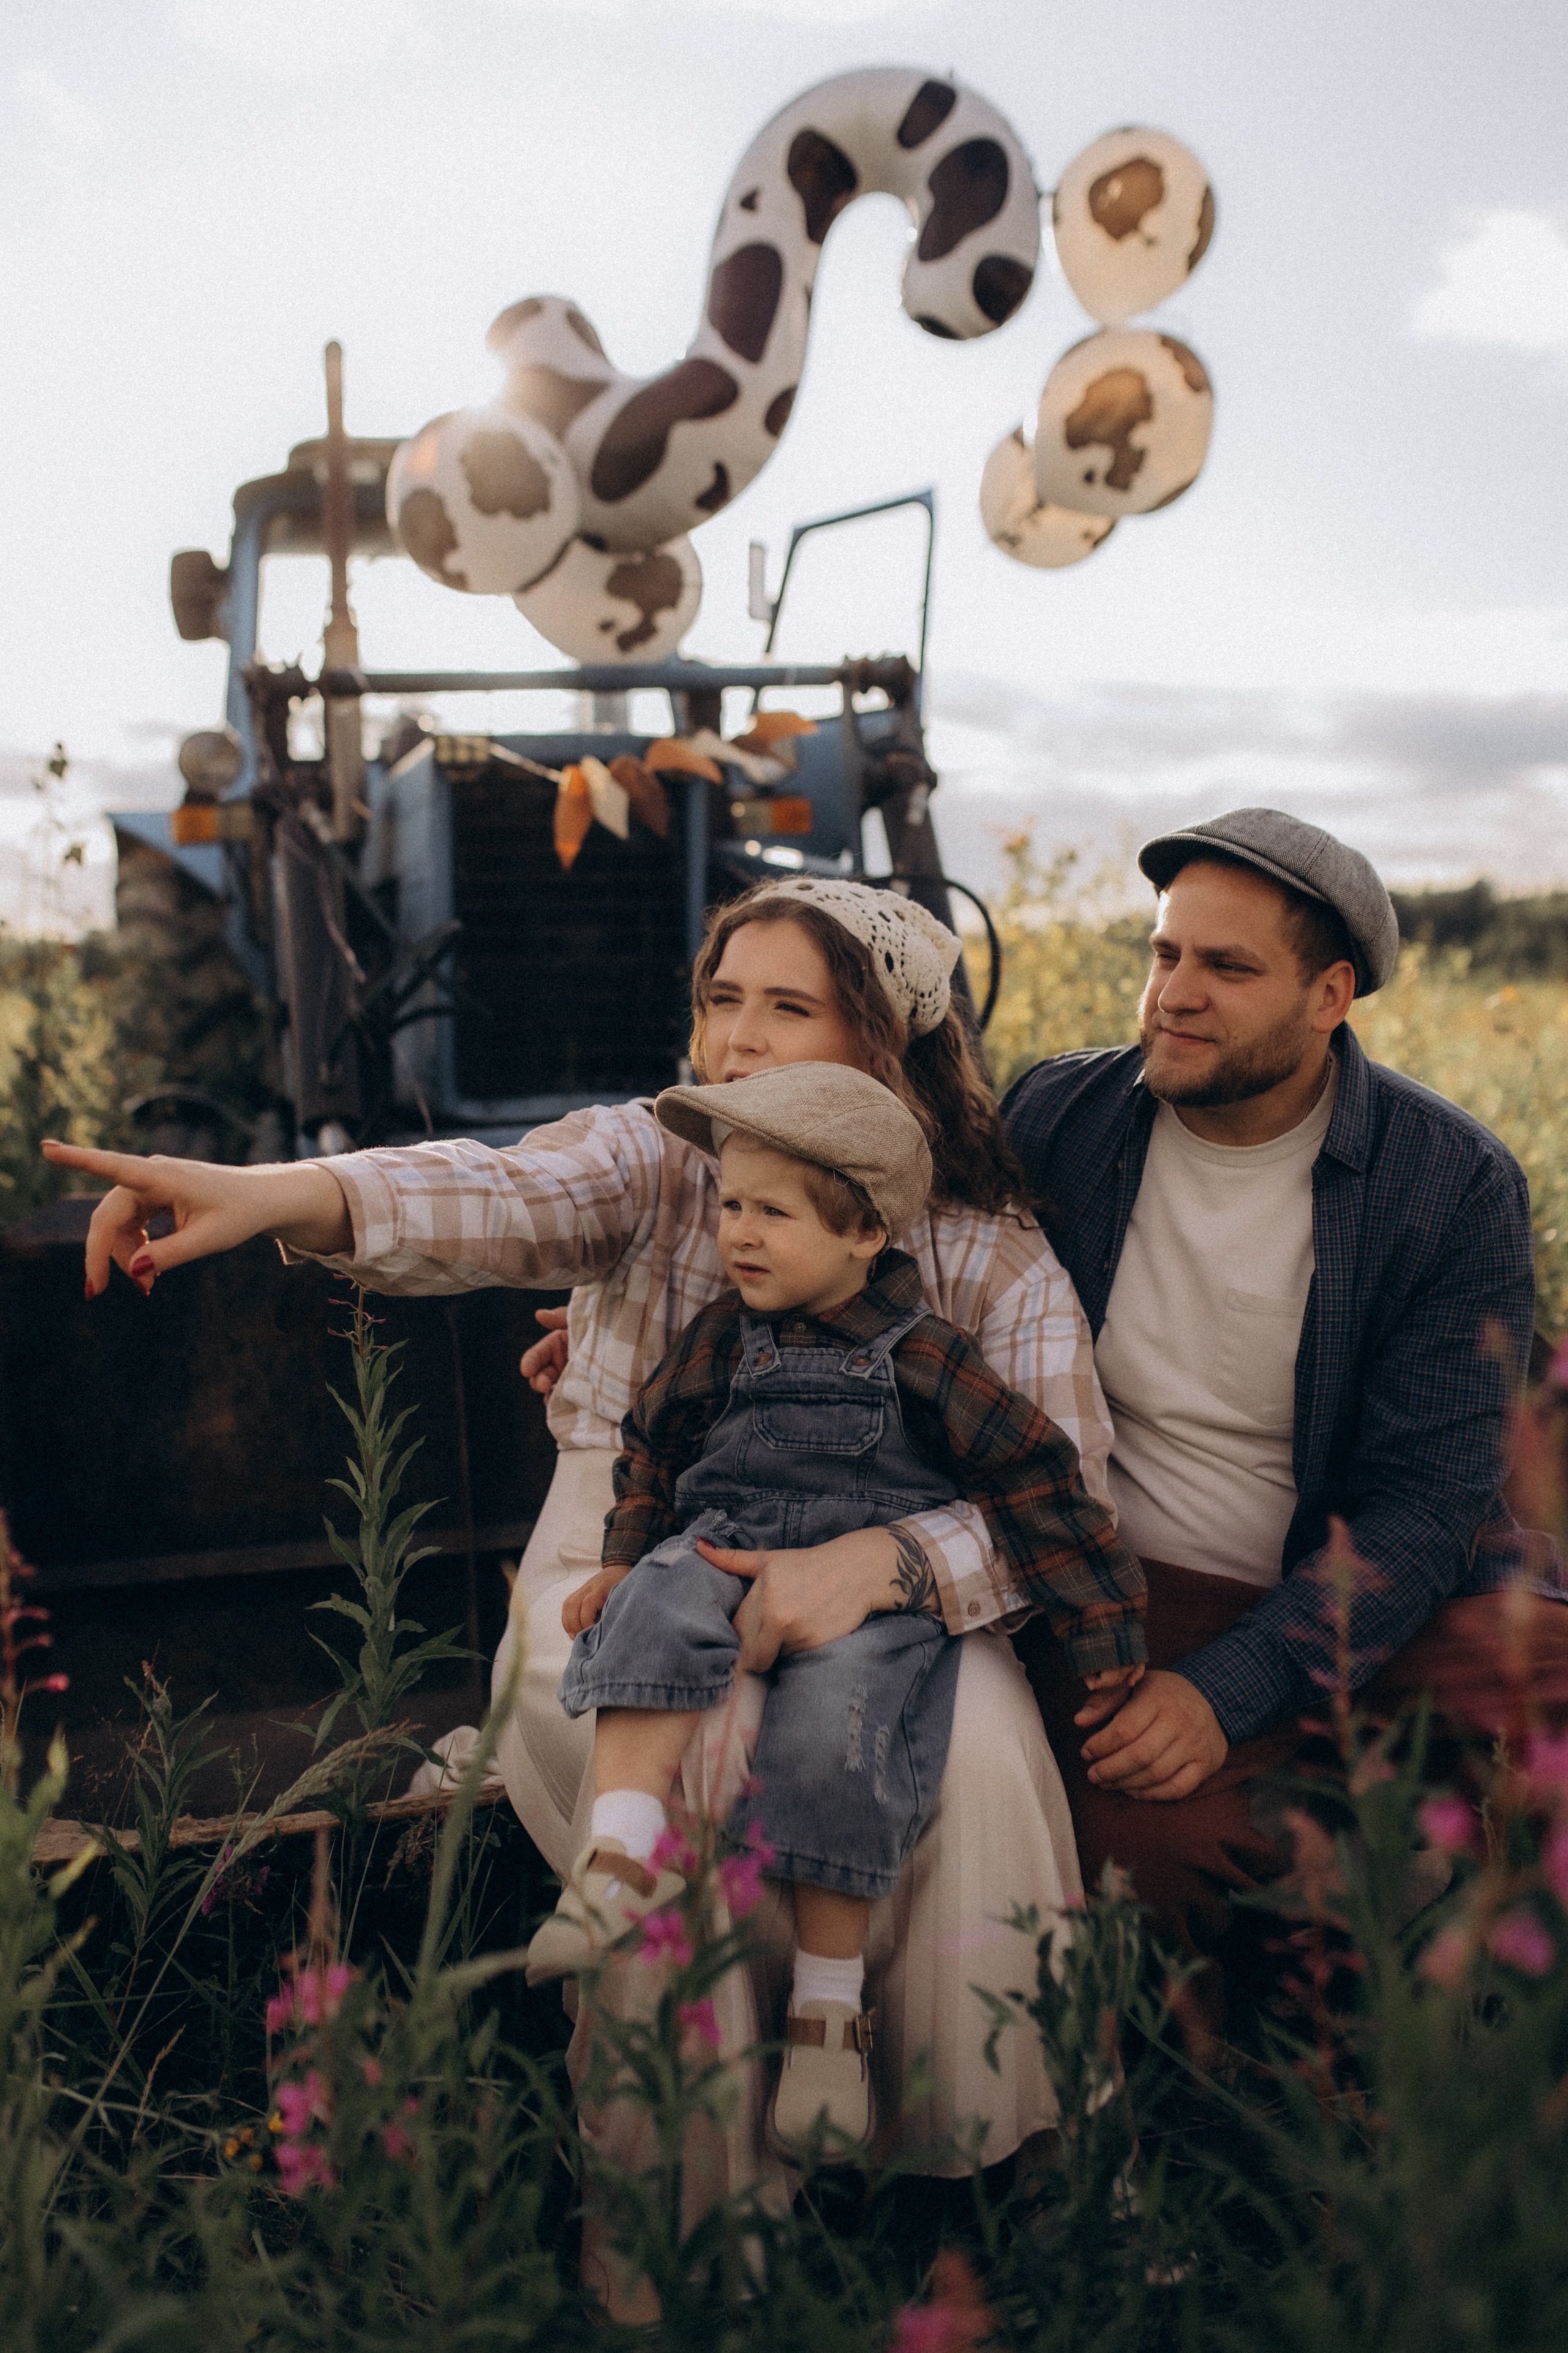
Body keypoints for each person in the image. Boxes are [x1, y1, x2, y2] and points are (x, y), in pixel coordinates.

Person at [42, 872, 1115, 2239]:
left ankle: (953, 2180)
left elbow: (1069, 1493)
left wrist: (891, 1564)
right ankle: (693, 2211)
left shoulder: (987, 1255)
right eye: (721, 1000)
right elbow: (496, 1188)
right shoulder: (665, 1165)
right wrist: (276, 1194)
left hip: (896, 1582)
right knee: (683, 1753)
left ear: (888, 1044)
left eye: (788, 1008)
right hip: (634, 1540)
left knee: (971, 1760)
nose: (734, 1040)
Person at [524, 1060, 1147, 2161]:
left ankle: (826, 2011)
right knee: (653, 1619)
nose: (740, 1235)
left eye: (773, 1212)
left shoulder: (926, 1355)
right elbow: (652, 1445)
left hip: (866, 1607)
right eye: (729, 1205)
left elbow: (1041, 1481)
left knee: (835, 1745)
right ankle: (615, 1865)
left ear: (865, 1233)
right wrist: (627, 1558)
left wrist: (1105, 1638)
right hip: (717, 1547)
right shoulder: (720, 1336)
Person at [1000, 807, 1568, 2004]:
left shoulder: (1446, 1180)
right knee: (1160, 1852)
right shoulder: (1059, 1119)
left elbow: (1422, 1512)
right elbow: (877, 1261)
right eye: (1163, 954)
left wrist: (1232, 1689)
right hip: (1142, 1594)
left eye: (1225, 966)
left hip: (1371, 1585)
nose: (1173, 993)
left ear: (1328, 995)